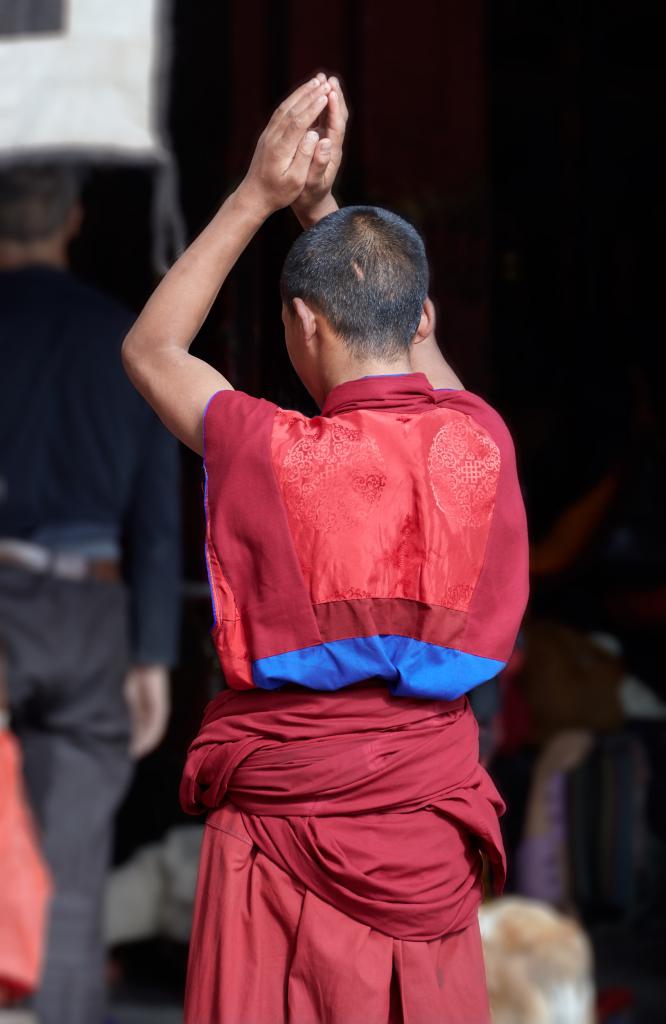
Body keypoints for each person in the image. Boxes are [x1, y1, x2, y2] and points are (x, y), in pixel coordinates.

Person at [122, 74, 529, 1023]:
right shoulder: (482, 442)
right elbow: (419, 361)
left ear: (301, 325)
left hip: (279, 835)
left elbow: (152, 349)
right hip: (424, 835)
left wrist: (260, 196)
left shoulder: (277, 450)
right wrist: (325, 210)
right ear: (423, 319)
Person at [0, 164, 181, 1024]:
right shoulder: (125, 340)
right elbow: (156, 520)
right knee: (72, 882)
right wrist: (151, 653)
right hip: (92, 615)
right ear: (72, 219)